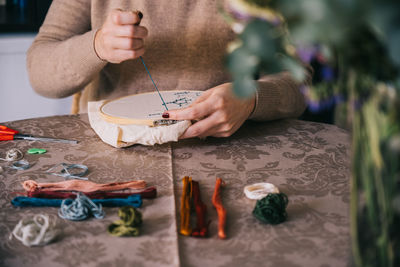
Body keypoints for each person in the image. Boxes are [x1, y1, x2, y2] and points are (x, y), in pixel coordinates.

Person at [27, 0, 309, 139]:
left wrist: (251, 98)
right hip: (113, 145)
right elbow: (39, 73)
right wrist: (97, 45)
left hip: (226, 144)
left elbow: (299, 80)